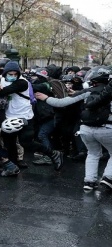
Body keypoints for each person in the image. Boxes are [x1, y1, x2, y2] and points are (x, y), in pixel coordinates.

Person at [0, 61, 64, 171]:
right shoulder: (2, 79)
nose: (13, 76)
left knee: (26, 142)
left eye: (15, 74)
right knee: (9, 143)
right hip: (9, 116)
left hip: (25, 116)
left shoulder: (22, 83)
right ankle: (13, 167)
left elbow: (2, 92)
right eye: (10, 74)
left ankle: (53, 153)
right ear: (5, 73)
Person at [35, 66, 112, 195]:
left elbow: (61, 102)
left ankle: (89, 181)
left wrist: (45, 98)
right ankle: (107, 179)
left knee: (92, 154)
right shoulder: (107, 93)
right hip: (107, 128)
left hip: (86, 128)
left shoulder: (88, 91)